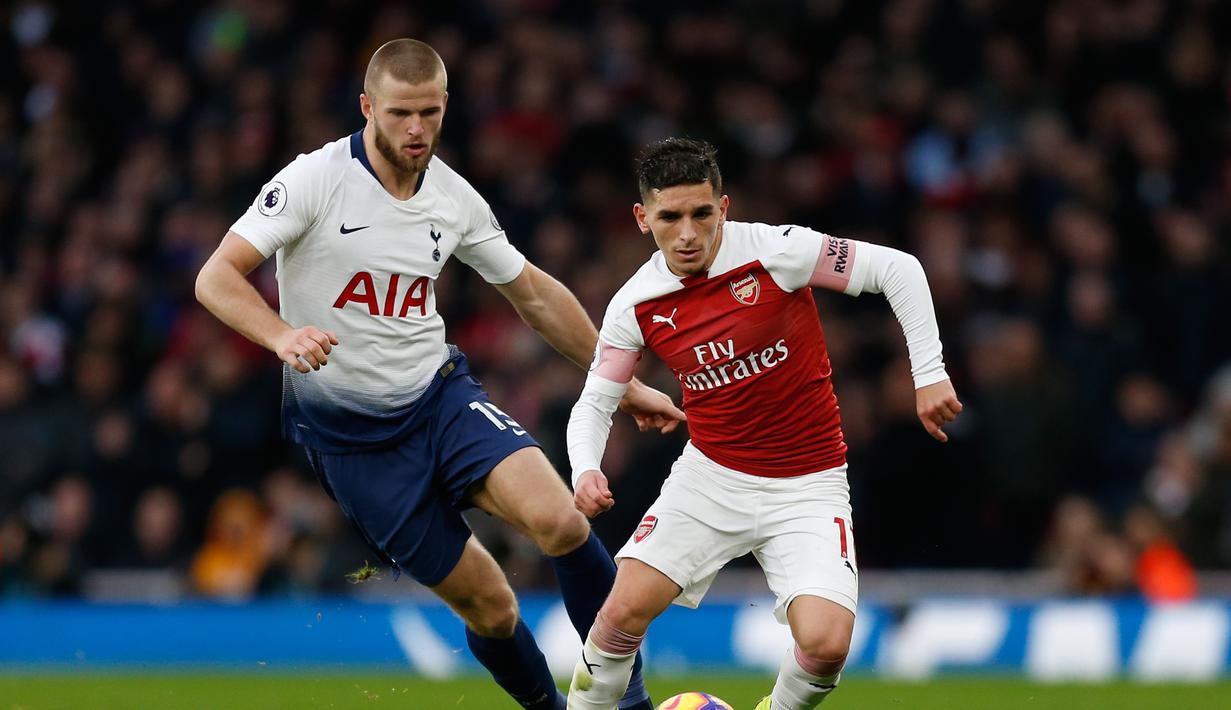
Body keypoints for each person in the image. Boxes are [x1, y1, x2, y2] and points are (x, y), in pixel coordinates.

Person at [194, 39, 683, 710]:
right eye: (399, 114)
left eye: (429, 112)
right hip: (353, 444)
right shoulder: (313, 179)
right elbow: (215, 275)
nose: (416, 130)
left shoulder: (454, 199)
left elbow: (534, 295)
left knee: (561, 522)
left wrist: (620, 384)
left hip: (440, 400)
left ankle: (626, 703)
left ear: (446, 105)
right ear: (368, 107)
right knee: (492, 609)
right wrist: (281, 334)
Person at [564, 138, 962, 710]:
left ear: (723, 207)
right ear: (642, 219)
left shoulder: (779, 252)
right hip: (711, 478)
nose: (687, 233)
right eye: (669, 217)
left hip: (809, 483)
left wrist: (929, 373)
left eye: (701, 214)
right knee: (620, 613)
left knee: (826, 645)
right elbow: (594, 401)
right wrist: (585, 469)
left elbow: (898, 269)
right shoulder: (637, 303)